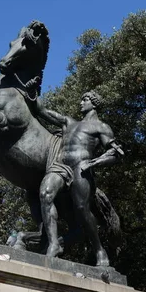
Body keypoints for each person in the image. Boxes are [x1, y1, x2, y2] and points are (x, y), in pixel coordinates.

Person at [35, 91, 123, 266]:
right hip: (61, 166)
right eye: (82, 99)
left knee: (82, 209)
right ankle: (53, 244)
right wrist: (30, 91)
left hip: (81, 168)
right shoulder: (69, 122)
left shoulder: (101, 127)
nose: (81, 102)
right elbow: (42, 111)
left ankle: (99, 249)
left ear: (94, 103)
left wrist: (94, 163)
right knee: (45, 194)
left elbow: (116, 153)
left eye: (85, 99)